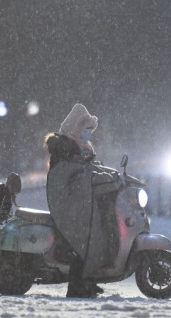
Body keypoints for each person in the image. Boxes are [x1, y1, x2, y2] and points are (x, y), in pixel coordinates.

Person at [45, 103, 121, 298]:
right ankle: (77, 285)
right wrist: (102, 179)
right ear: (76, 128)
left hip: (77, 200)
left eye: (90, 130)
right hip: (68, 202)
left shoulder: (80, 145)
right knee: (86, 235)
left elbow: (88, 169)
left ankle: (88, 278)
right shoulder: (65, 148)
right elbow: (73, 177)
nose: (88, 134)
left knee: (100, 229)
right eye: (85, 129)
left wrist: (110, 175)